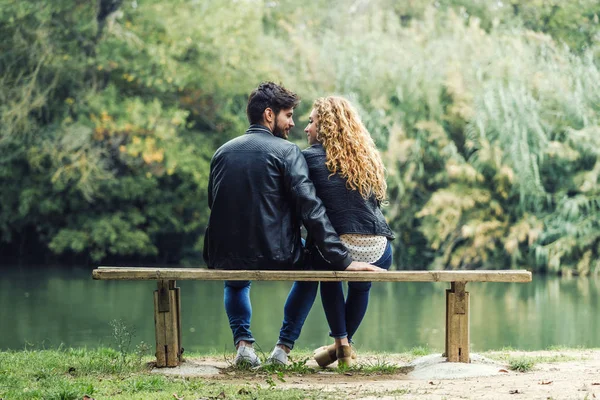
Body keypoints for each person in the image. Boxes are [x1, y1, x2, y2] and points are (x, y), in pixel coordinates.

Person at [203, 83, 380, 368]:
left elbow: (214, 203)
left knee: (235, 278)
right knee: (311, 268)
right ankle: (282, 350)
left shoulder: (222, 152)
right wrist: (342, 260)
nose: (293, 123)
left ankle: (244, 347)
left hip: (224, 254)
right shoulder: (288, 153)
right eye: (288, 115)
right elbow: (311, 210)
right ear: (269, 115)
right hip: (279, 255)